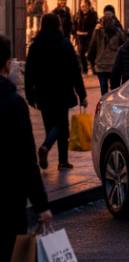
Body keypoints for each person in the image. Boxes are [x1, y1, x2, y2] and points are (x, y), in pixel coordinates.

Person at [0, 33, 53, 262]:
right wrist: (42, 205)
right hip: (5, 200)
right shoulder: (11, 103)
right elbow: (25, 159)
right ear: (6, 64)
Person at [25, 13, 87, 170]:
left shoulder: (35, 45)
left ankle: (48, 154)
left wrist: (29, 95)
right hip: (61, 90)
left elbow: (29, 72)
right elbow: (74, 71)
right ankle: (57, 156)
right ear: (58, 25)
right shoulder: (64, 44)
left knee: (50, 125)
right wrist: (82, 94)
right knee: (61, 126)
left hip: (42, 90)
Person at [87, 5, 128, 93]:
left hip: (101, 64)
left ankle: (104, 105)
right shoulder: (118, 28)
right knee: (114, 90)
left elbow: (93, 45)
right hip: (114, 64)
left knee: (104, 91)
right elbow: (125, 43)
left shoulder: (98, 28)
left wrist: (90, 60)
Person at [72, 0, 98, 74]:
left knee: (91, 53)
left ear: (89, 6)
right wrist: (75, 33)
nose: (83, 8)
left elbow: (93, 26)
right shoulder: (77, 15)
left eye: (85, 6)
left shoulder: (93, 15)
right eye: (82, 6)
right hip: (80, 38)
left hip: (89, 37)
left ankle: (92, 67)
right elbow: (74, 25)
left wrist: (88, 33)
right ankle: (84, 69)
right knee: (81, 53)